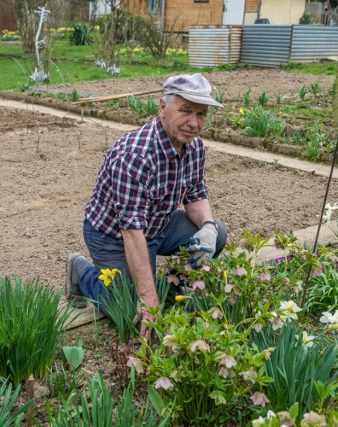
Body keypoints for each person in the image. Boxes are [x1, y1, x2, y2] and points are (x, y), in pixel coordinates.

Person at [66, 73, 228, 340]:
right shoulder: (135, 155)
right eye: (185, 111)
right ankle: (82, 271)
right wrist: (147, 296)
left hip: (159, 225)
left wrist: (208, 227)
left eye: (201, 114)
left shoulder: (194, 146)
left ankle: (172, 287)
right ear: (162, 106)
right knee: (128, 309)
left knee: (217, 234)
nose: (193, 123)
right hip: (114, 236)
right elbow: (131, 231)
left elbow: (196, 194)